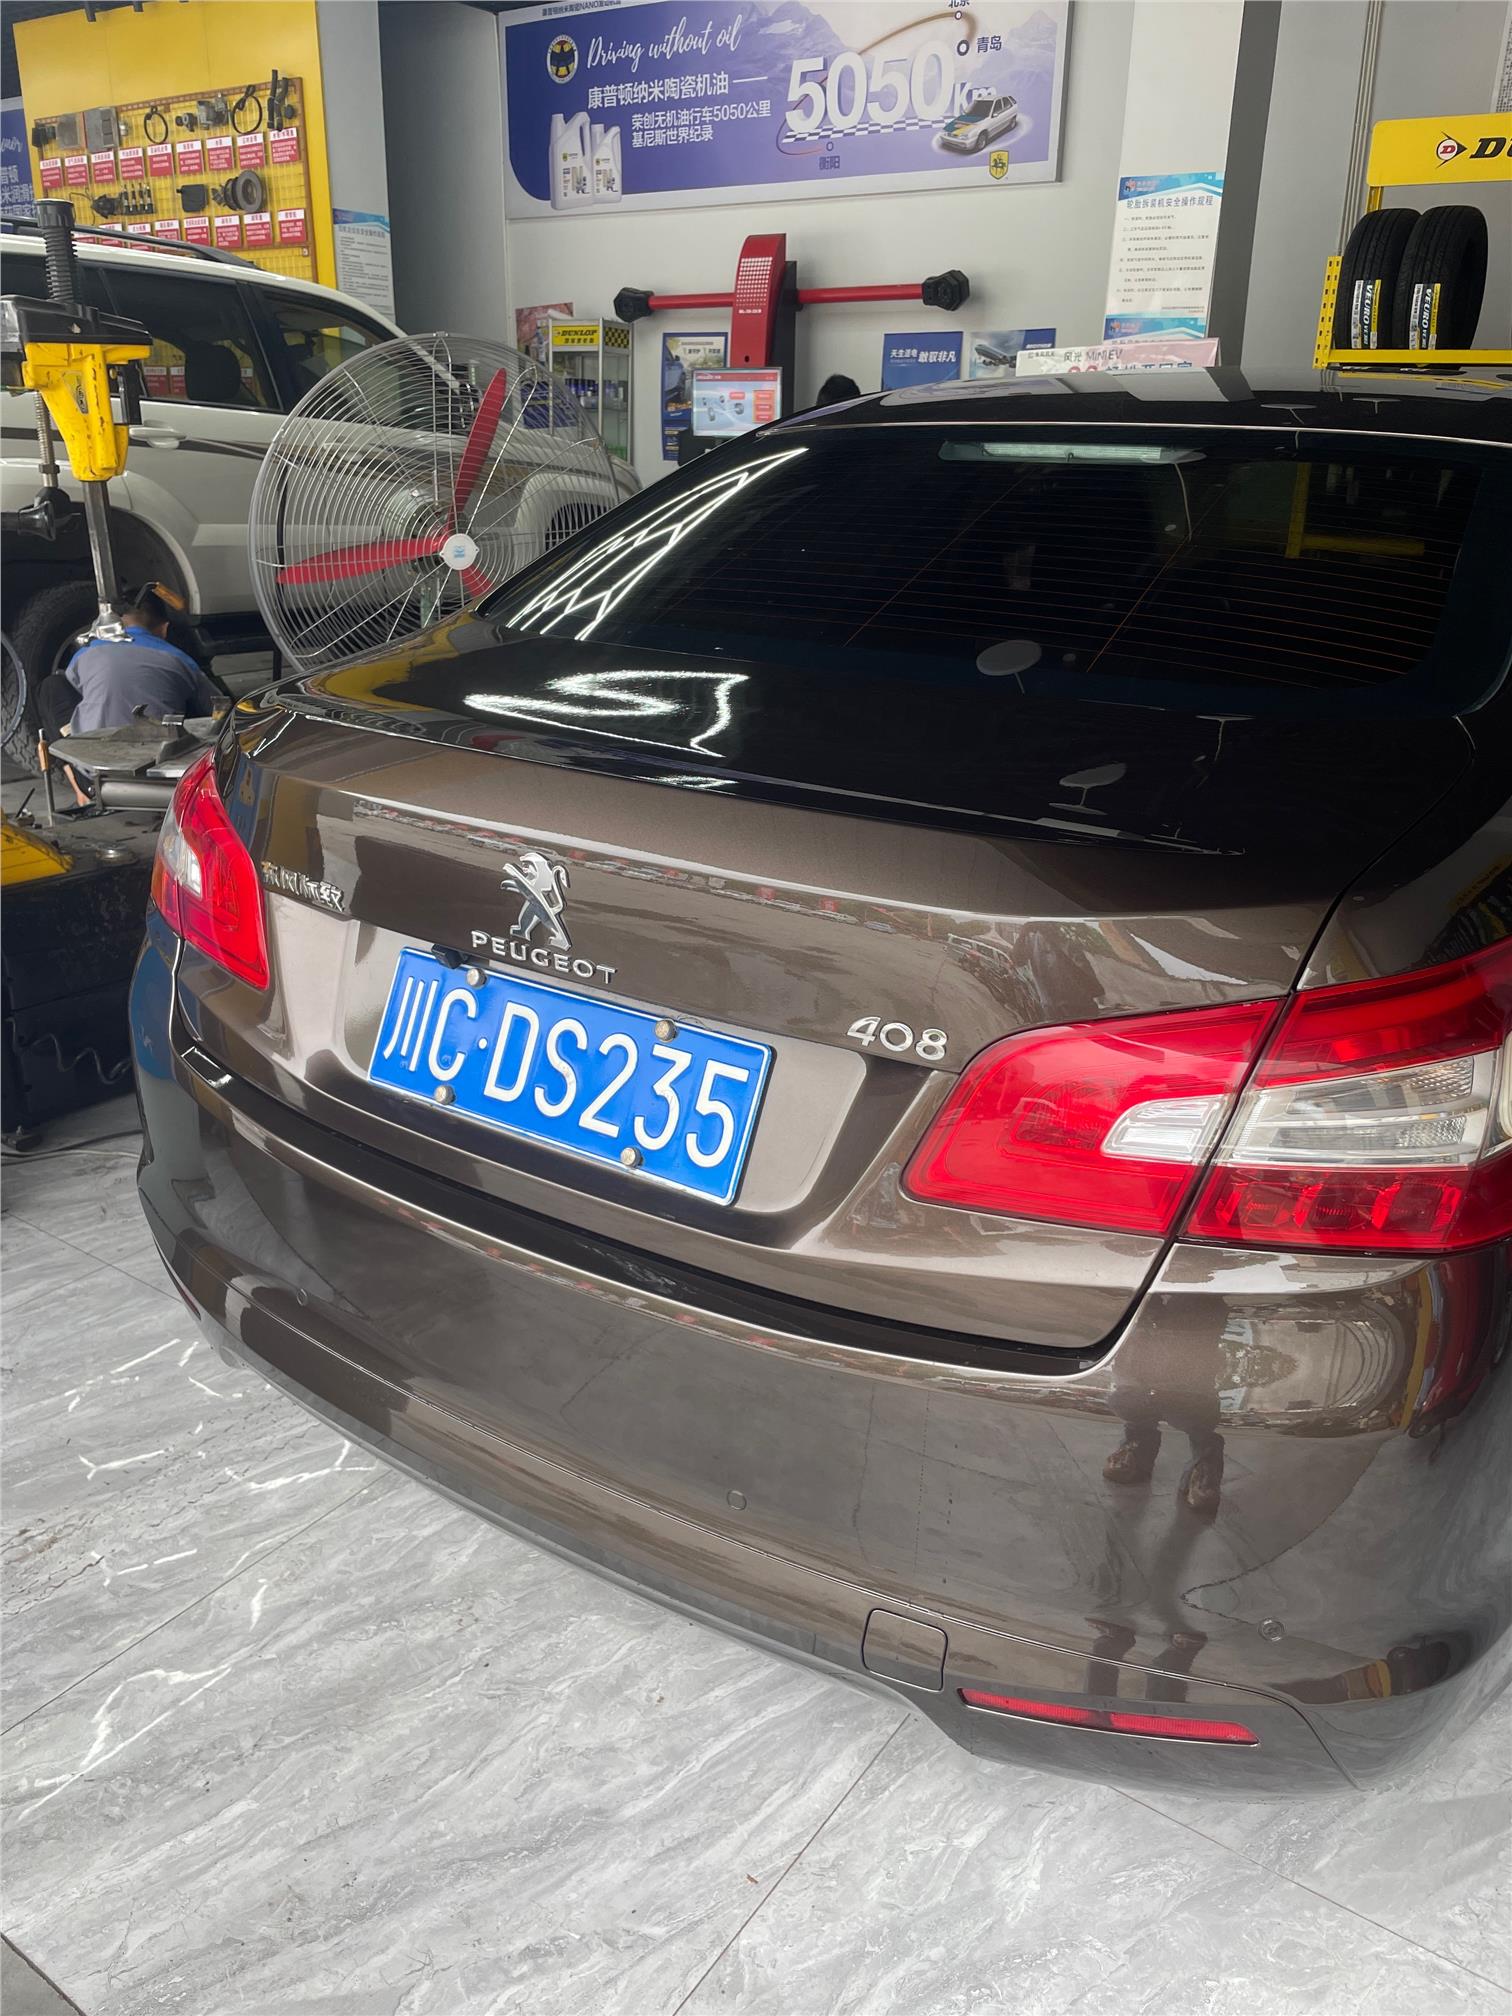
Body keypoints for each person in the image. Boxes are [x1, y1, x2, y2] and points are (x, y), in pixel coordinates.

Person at [37, 584, 223, 810]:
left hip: (96, 778)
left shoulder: (85, 654)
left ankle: (79, 788)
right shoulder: (180, 659)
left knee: (51, 687)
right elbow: (220, 711)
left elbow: (74, 689)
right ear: (164, 629)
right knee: (197, 698)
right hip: (167, 778)